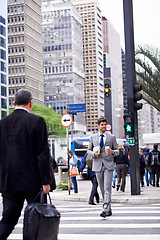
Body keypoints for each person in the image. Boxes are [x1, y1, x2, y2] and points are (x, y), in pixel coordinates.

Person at [0, 89, 51, 240]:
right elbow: (43, 155)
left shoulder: (1, 124)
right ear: (31, 103)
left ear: (13, 103)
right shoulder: (37, 121)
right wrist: (46, 182)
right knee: (37, 221)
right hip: (32, 183)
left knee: (8, 220)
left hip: (9, 182)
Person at [87, 117, 119, 218]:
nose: (104, 126)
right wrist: (93, 154)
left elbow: (118, 151)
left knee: (107, 187)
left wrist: (112, 152)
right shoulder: (93, 137)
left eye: (105, 124)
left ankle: (105, 209)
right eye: (102, 124)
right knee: (102, 188)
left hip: (108, 165)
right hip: (97, 165)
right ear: (98, 126)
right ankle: (108, 208)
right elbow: (88, 150)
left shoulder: (111, 137)